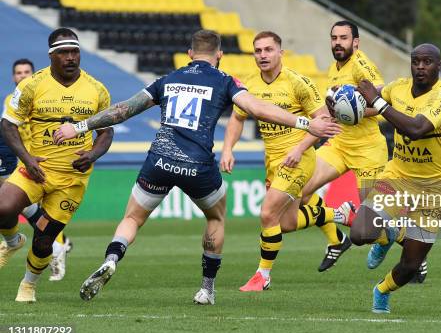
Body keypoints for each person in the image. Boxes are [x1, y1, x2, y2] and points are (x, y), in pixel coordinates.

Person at [53, 30, 340, 304]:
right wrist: (306, 122)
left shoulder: (168, 78)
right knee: (215, 219)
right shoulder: (225, 80)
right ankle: (207, 289)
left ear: (189, 54)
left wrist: (79, 127)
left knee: (133, 218)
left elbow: (124, 109)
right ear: (219, 55)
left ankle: (111, 259)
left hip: (160, 161)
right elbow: (258, 109)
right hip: (198, 166)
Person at [221, 31, 343, 291]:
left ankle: (262, 276)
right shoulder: (249, 86)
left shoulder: (298, 83)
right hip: (273, 162)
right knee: (285, 223)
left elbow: (323, 122)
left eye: (268, 50)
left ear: (280, 53)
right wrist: (227, 149)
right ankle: (341, 213)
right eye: (258, 51)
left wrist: (299, 149)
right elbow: (237, 118)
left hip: (299, 158)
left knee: (267, 213)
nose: (263, 55)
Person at [0, 28, 114, 302]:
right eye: (64, 52)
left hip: (72, 180)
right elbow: (7, 125)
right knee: (2, 207)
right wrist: (27, 159)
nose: (71, 57)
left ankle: (28, 285)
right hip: (34, 169)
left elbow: (106, 132)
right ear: (51, 55)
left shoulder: (96, 89)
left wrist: (93, 155)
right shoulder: (31, 86)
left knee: (44, 239)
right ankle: (14, 240)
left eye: (75, 51)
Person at [347, 43, 441, 313]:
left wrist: (378, 101)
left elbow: (417, 128)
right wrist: (343, 105)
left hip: (434, 188)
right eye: (416, 61)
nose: (421, 66)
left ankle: (381, 290)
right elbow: (369, 104)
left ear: (439, 66)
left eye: (427, 62)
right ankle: (389, 235)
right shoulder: (397, 87)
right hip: (397, 177)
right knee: (360, 233)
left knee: (411, 264)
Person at [298, 20, 390, 272]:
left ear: (355, 42)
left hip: (368, 150)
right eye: (334, 38)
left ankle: (410, 249)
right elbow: (339, 108)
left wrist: (354, 110)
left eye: (343, 38)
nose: (338, 42)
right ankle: (336, 239)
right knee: (301, 191)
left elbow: (382, 97)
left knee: (371, 225)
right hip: (339, 143)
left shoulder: (362, 65)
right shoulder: (334, 68)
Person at [0, 58, 72, 282]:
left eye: (26, 72)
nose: (22, 75)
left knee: (44, 213)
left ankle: (54, 249)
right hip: (22, 161)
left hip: (47, 163)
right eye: (18, 72)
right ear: (14, 77)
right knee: (24, 209)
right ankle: (57, 246)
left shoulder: (46, 97)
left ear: (35, 74)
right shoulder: (11, 100)